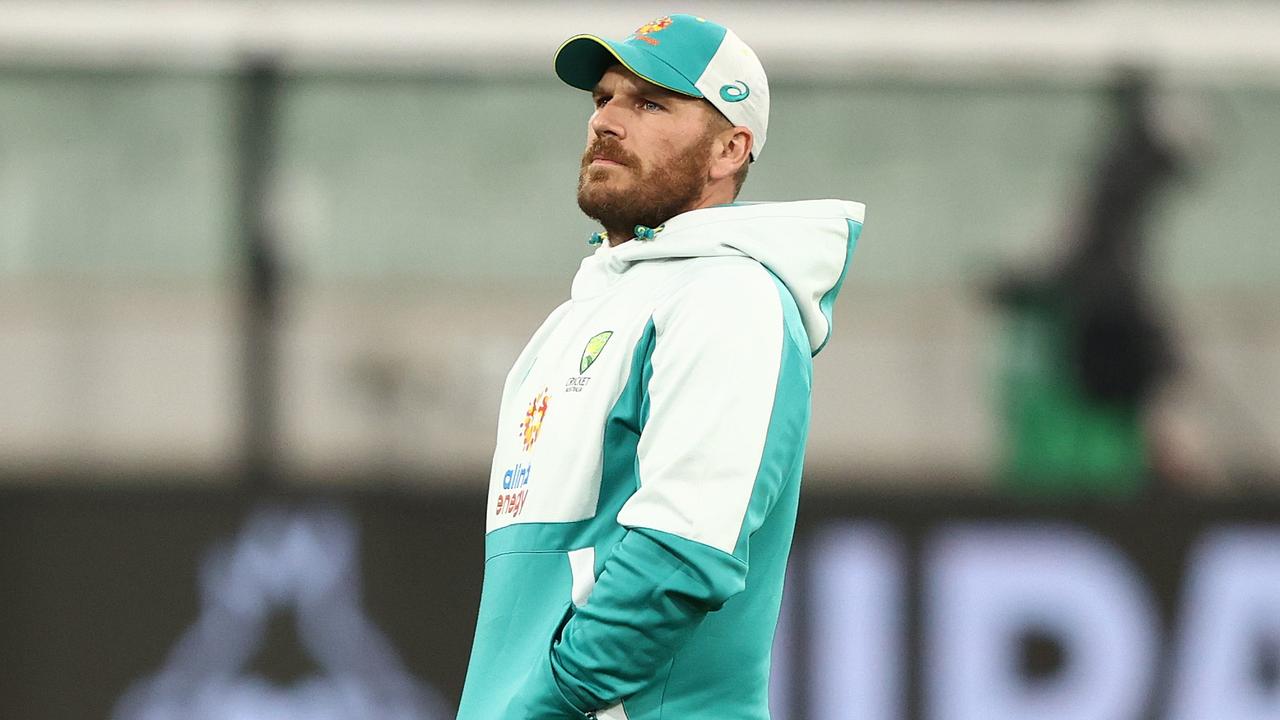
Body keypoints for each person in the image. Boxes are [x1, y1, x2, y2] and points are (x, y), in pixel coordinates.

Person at [457, 14, 864, 720]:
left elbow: (682, 555)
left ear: (730, 149)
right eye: (602, 99)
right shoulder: (577, 318)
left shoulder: (731, 296)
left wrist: (539, 710)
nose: (607, 121)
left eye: (650, 103)